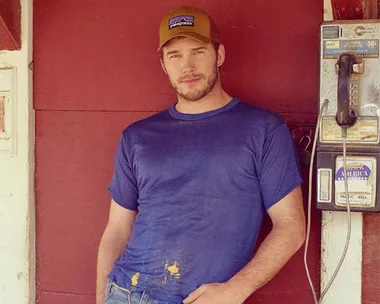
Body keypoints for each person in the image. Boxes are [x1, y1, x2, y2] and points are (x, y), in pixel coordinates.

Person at [96, 5, 305, 304]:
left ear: (218, 55)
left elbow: (291, 226)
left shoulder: (263, 129)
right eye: (175, 56)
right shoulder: (137, 137)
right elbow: (116, 231)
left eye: (198, 51)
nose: (187, 66)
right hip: (126, 294)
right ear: (163, 65)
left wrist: (236, 289)